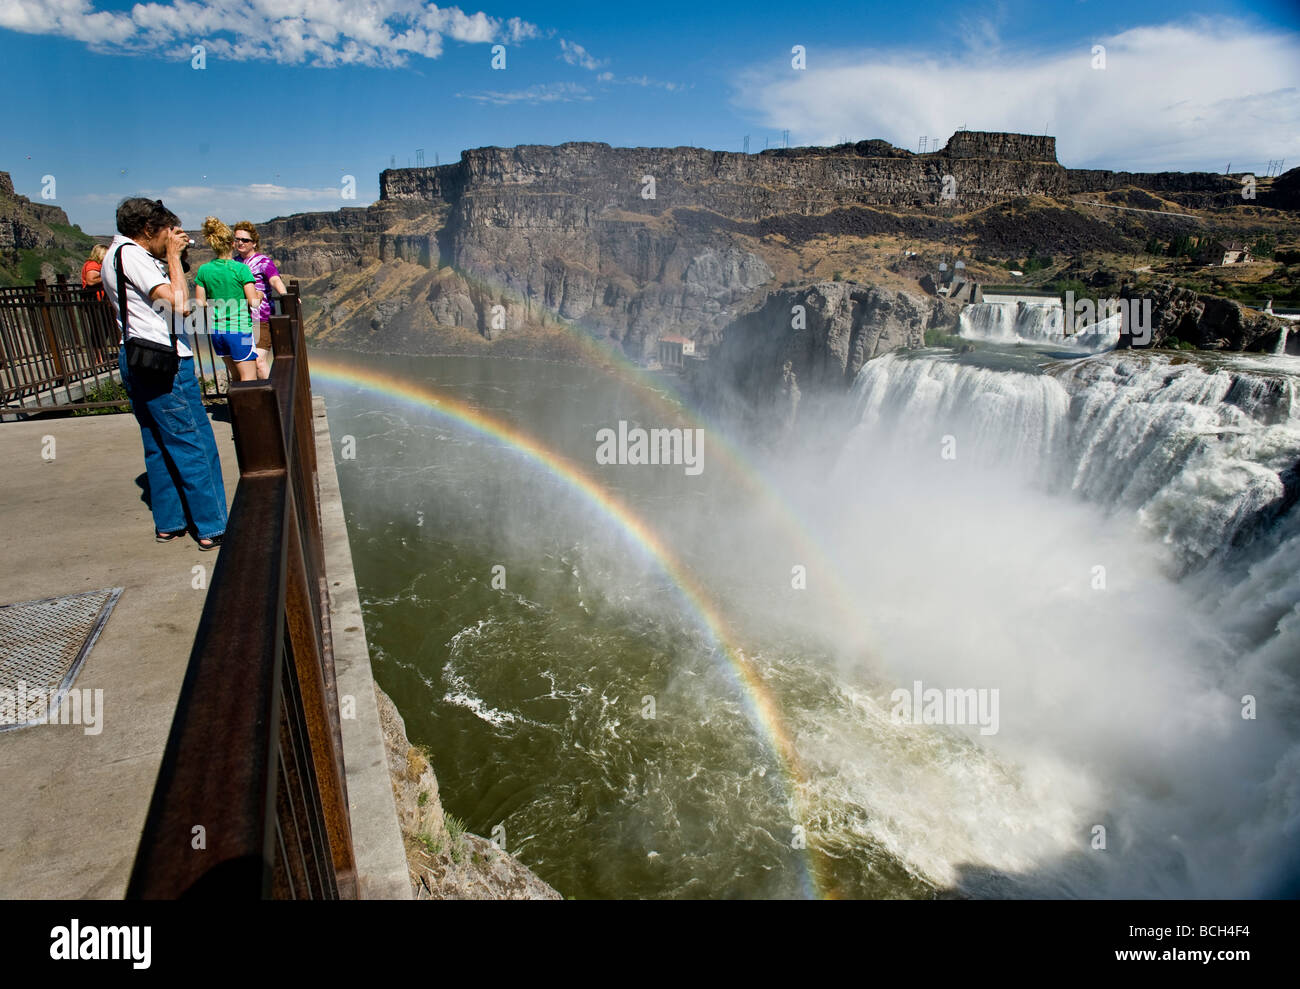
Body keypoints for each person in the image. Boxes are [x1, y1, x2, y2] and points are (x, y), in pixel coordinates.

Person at [101, 198, 227, 550]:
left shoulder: (114, 255)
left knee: (157, 442)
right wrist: (172, 257)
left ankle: (170, 523)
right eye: (168, 232)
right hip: (164, 362)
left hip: (136, 357)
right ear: (147, 229)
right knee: (194, 442)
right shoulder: (135, 257)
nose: (172, 238)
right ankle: (213, 526)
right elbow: (180, 304)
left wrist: (172, 257)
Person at [194, 217, 261, 383]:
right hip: (240, 331)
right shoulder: (241, 269)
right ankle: (248, 410)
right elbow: (253, 302)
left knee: (236, 378)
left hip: (218, 332)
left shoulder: (204, 270)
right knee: (249, 378)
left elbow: (200, 302)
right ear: (232, 244)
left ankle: (235, 409)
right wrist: (260, 294)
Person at [231, 221, 287, 379]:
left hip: (259, 320)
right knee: (246, 361)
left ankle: (272, 396)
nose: (240, 243)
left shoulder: (263, 261)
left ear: (254, 243)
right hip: (241, 320)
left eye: (245, 240)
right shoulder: (233, 264)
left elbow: (274, 279)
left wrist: (285, 295)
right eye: (237, 239)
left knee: (259, 361)